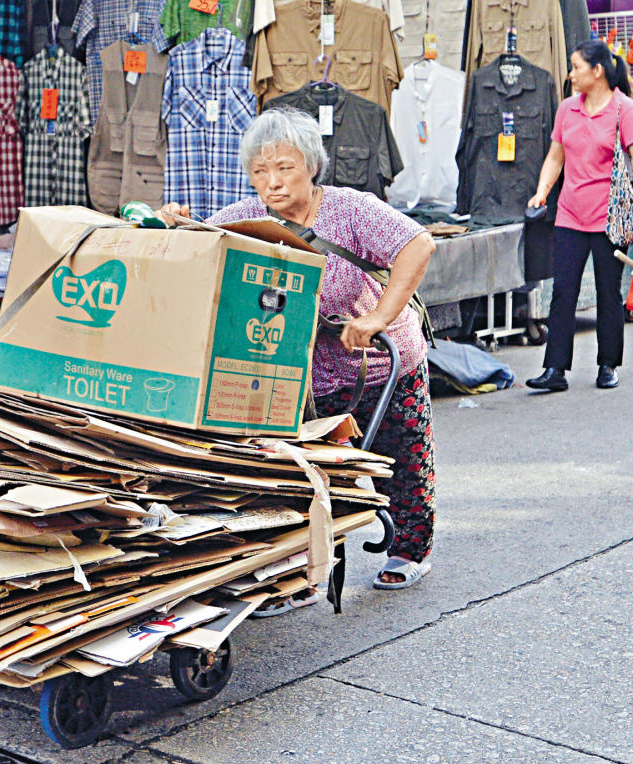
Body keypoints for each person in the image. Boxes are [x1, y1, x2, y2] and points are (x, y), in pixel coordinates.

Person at [160, 108, 437, 597]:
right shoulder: (245, 218)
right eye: (259, 172)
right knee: (300, 475)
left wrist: (376, 319)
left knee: (402, 462)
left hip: (379, 362)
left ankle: (410, 548)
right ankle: (298, 572)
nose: (272, 183)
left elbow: (418, 245)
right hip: (303, 375)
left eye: (284, 168)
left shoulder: (351, 209)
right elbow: (199, 243)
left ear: (311, 164)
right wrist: (176, 224)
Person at [526, 41, 633, 392]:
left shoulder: (625, 110)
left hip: (609, 219)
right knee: (563, 292)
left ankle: (608, 364)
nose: (570, 74)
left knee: (607, 293)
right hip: (569, 214)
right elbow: (556, 156)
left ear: (597, 71)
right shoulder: (567, 109)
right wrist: (543, 190)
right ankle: (555, 369)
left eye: (576, 67)